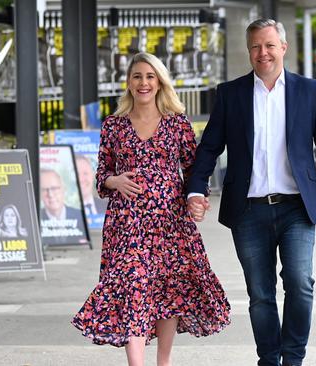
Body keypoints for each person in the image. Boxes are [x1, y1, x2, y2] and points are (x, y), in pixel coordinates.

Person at [187, 19, 316, 366]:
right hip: (248, 211)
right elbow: (210, 145)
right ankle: (269, 359)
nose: (263, 53)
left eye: (270, 45)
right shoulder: (231, 94)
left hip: (296, 208)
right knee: (260, 295)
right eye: (256, 47)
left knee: (300, 283)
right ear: (249, 51)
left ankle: (292, 359)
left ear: (283, 48)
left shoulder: (308, 90)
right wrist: (195, 189)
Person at [71, 52, 230, 366]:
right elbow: (101, 175)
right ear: (129, 83)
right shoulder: (114, 126)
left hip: (169, 222)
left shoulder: (177, 123)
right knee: (134, 290)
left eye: (149, 76)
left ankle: (164, 361)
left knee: (167, 292)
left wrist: (196, 199)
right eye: (137, 77)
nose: (143, 83)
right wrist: (115, 180)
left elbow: (193, 171)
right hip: (127, 223)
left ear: (160, 82)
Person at [39, 168, 86, 241]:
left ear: (64, 189)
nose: (50, 194)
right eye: (44, 190)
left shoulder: (80, 216)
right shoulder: (35, 220)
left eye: (54, 188)